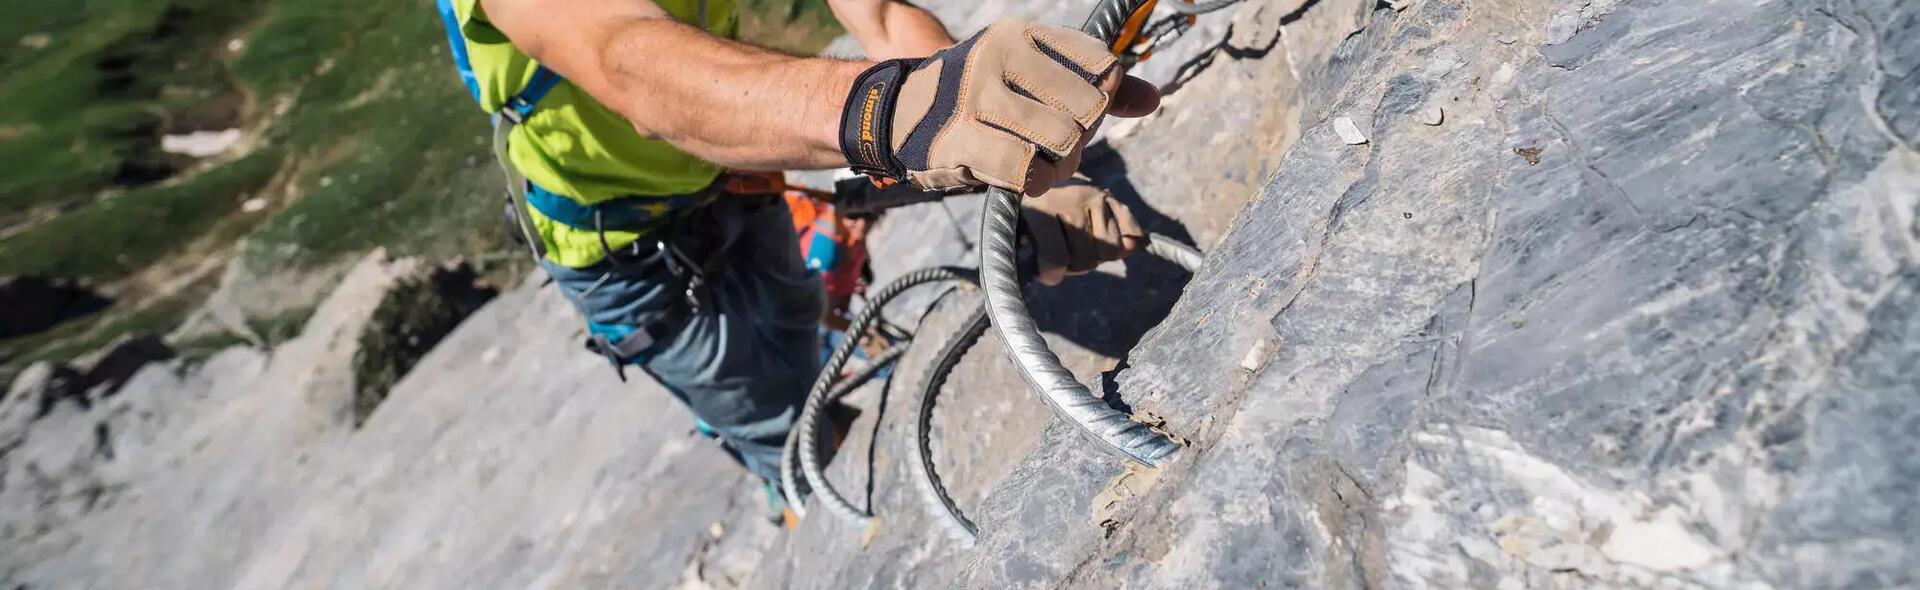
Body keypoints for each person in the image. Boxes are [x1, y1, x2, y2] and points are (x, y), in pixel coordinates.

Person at [437, 0, 1160, 490]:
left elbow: (877, 15)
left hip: (732, 178)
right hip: (626, 258)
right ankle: (810, 491)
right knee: (790, 432)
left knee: (797, 323)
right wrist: (888, 109)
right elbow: (627, 61)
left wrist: (1012, 154)